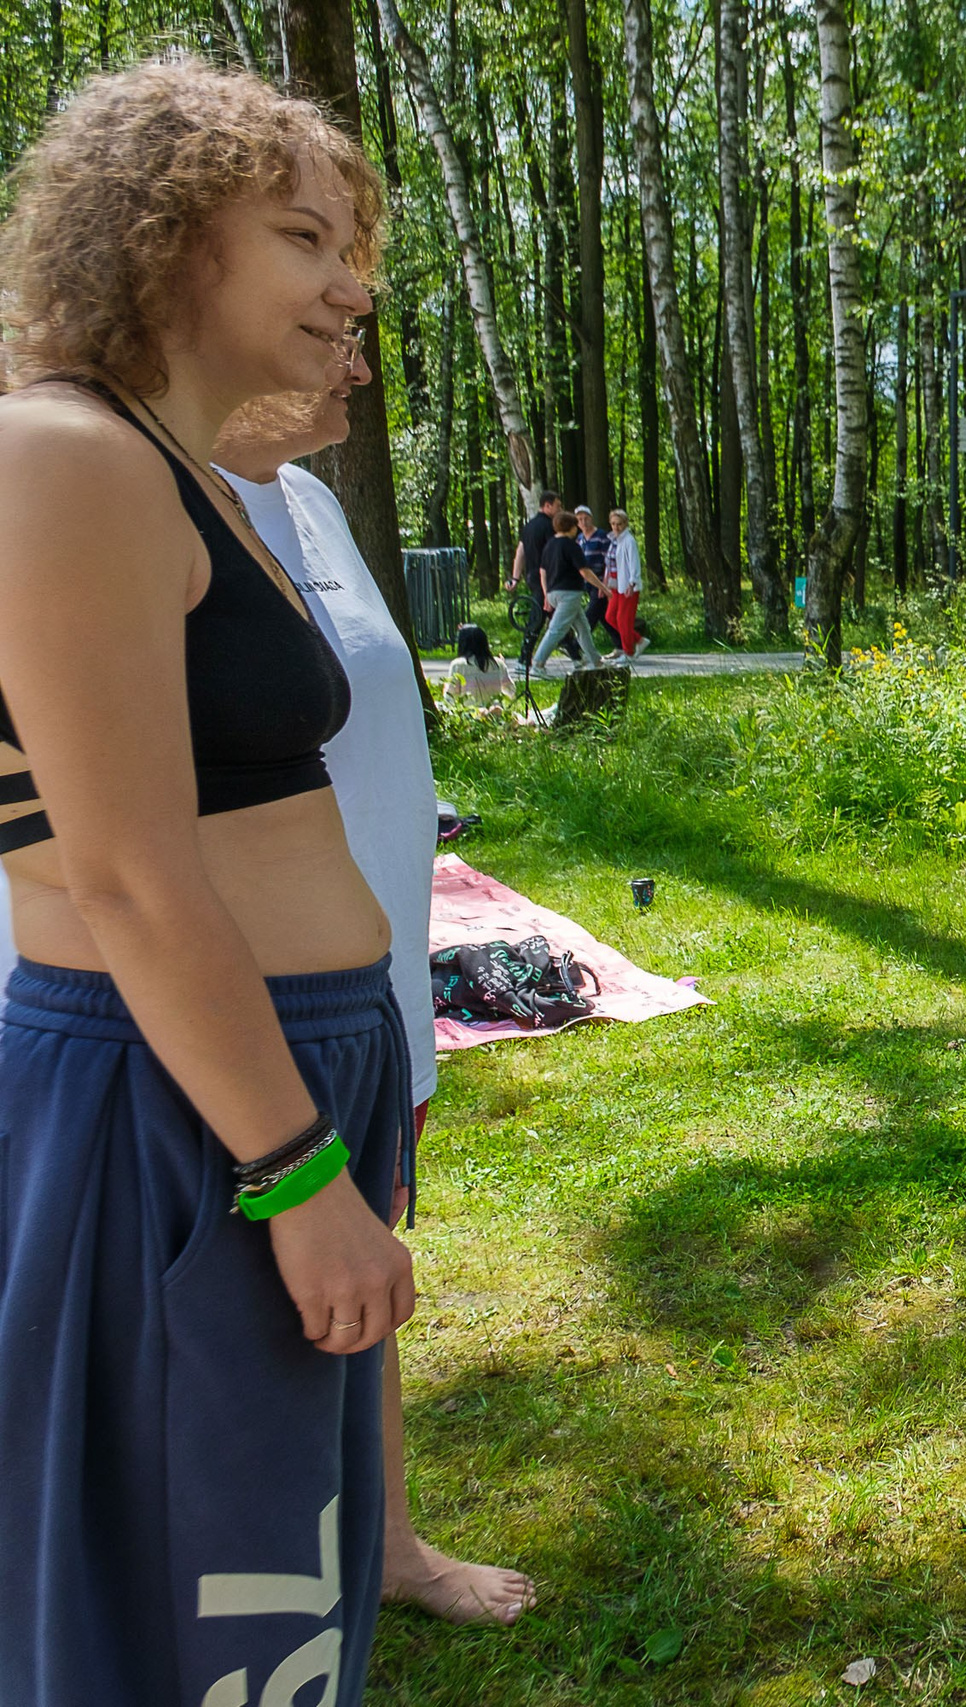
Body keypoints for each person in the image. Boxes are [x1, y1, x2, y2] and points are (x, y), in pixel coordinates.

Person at [0, 60, 412, 1705]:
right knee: (207, 1613)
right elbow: (121, 872)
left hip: (260, 1076)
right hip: (192, 1114)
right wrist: (296, 1176)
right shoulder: (63, 453)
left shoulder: (163, 469)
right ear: (167, 240)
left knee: (273, 1574)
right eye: (306, 237)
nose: (351, 282)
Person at [212, 362, 535, 1626]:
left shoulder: (312, 502)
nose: (358, 361)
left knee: (367, 1276)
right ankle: (228, 1590)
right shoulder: (122, 493)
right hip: (237, 1019)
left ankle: (388, 1540)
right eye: (320, 302)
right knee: (227, 1319)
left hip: (376, 1003)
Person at [527, 509, 602, 675]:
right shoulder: (571, 546)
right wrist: (603, 588)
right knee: (556, 630)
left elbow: (543, 571)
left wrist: (546, 594)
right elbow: (585, 571)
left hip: (553, 592)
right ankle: (538, 664)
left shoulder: (550, 545)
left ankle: (595, 660)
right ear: (571, 527)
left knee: (583, 628)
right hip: (569, 593)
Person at [507, 489, 564, 671]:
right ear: (547, 506)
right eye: (557, 506)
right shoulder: (549, 527)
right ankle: (524, 659)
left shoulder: (529, 526)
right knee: (540, 618)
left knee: (557, 616)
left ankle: (578, 654)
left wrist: (516, 577)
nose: (560, 509)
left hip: (532, 577)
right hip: (546, 578)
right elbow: (553, 554)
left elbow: (520, 552)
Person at [603, 508, 648, 657]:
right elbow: (610, 563)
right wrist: (605, 583)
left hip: (627, 585)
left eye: (619, 524)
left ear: (626, 524)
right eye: (613, 524)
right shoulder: (613, 540)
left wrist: (632, 583)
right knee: (610, 616)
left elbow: (634, 564)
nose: (616, 527)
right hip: (615, 584)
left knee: (623, 620)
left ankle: (628, 653)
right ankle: (638, 640)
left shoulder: (629, 541)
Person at [573, 504, 613, 656]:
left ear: (591, 518)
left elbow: (608, 561)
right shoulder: (580, 539)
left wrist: (604, 584)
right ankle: (622, 642)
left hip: (600, 581)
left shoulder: (602, 536)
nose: (583, 522)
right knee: (603, 615)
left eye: (586, 518)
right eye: (580, 519)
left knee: (592, 613)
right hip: (586, 582)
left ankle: (576, 645)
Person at [446, 621, 514, 708]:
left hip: (469, 714)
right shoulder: (498, 663)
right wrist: (503, 666)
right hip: (494, 714)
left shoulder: (457, 665)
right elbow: (511, 691)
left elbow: (450, 697)